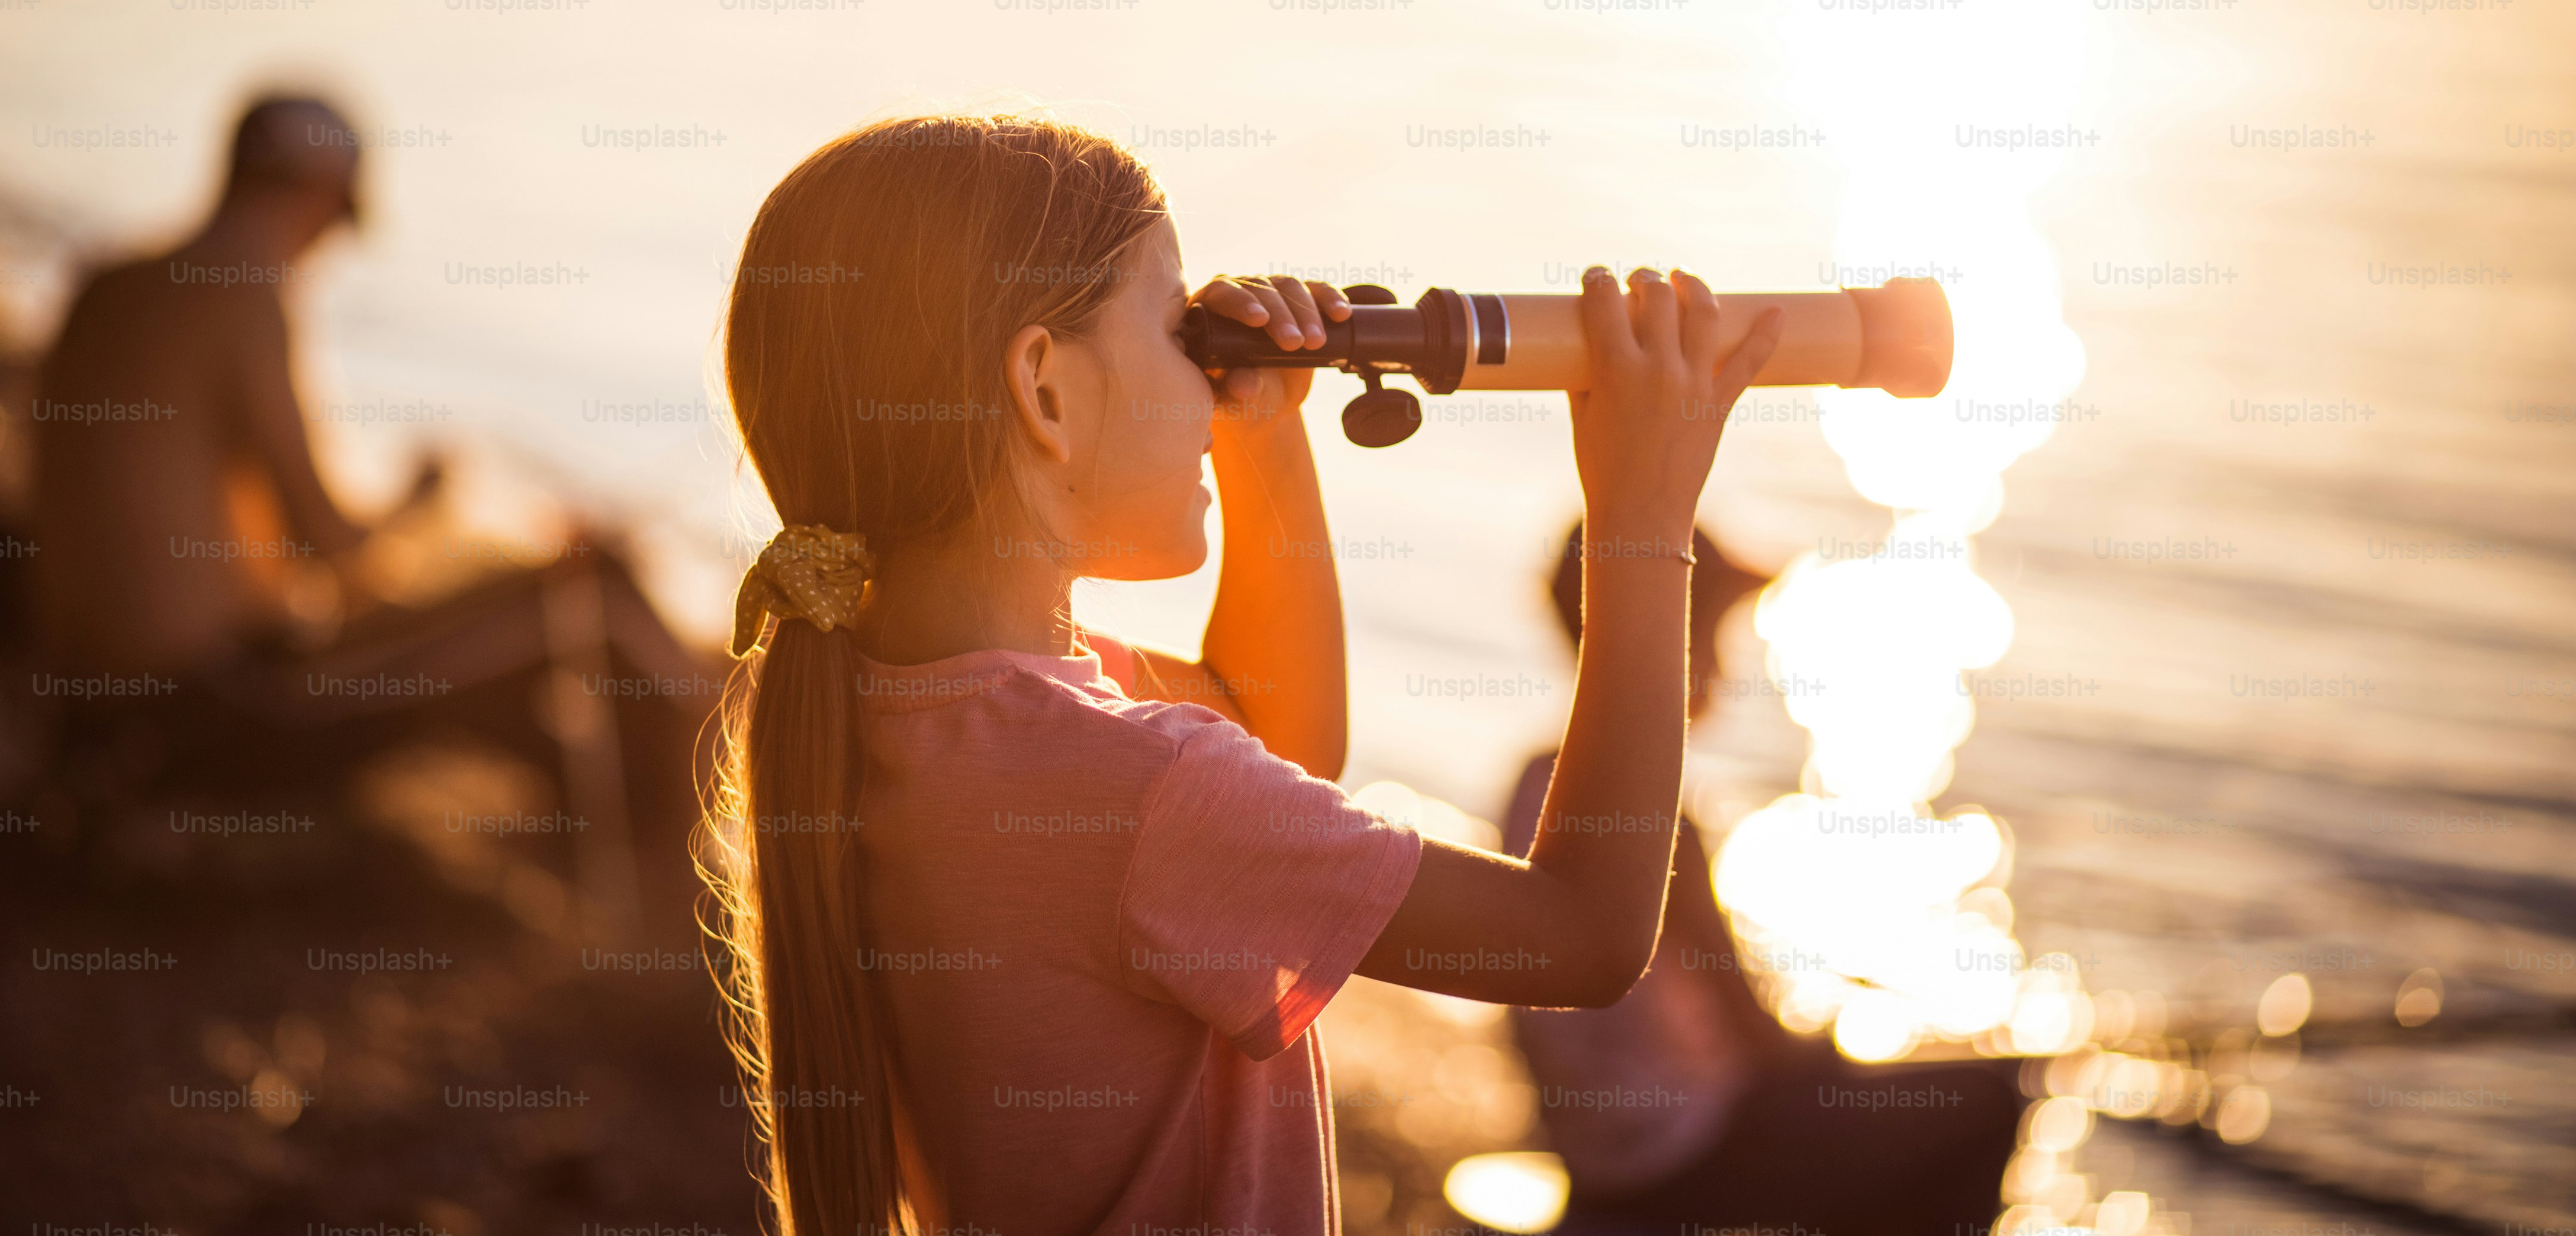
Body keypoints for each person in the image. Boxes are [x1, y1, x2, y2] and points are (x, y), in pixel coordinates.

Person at [700, 113, 1785, 1235]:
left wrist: (1262, 435)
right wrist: (1644, 520)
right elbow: (1581, 936)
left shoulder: (918, 706)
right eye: (1180, 329)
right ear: (1044, 391)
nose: (1220, 363)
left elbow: (1278, 748)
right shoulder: (1127, 776)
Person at [28, 92, 712, 905]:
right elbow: (332, 545)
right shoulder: (245, 293)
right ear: (317, 193)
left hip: (92, 710)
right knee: (588, 578)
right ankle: (696, 859)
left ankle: (625, 833)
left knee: (492, 629)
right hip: (220, 712)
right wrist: (421, 498)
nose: (327, 245)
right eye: (338, 216)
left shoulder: (106, 284)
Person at [1507, 521, 2023, 1236]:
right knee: (1985, 1099)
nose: (1723, 663)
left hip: (1596, 1159)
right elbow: (1755, 1037)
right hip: (1683, 1170)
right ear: (1665, 640)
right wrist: (1827, 1055)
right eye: (1712, 632)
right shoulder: (1651, 806)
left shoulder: (1533, 782)